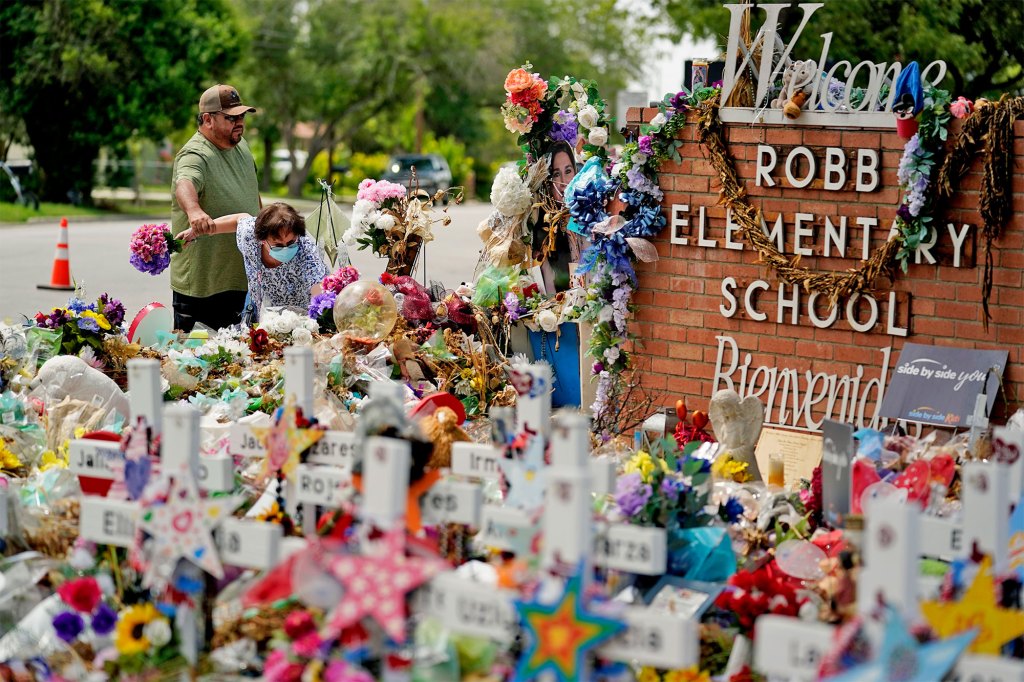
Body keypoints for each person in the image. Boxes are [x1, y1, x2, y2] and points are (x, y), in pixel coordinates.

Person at [170, 84, 261, 331]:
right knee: (194, 366)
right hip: (203, 287)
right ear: (208, 119)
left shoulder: (240, 146)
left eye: (241, 116)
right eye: (231, 118)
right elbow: (185, 182)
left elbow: (253, 195)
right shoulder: (194, 154)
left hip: (241, 280)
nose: (239, 122)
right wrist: (194, 211)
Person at [180, 203, 328, 317]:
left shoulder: (306, 249)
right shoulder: (250, 235)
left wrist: (320, 311)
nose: (285, 249)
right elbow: (238, 219)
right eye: (278, 245)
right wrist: (195, 231)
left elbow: (318, 286)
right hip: (264, 305)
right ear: (262, 240)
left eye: (290, 243)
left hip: (303, 312)